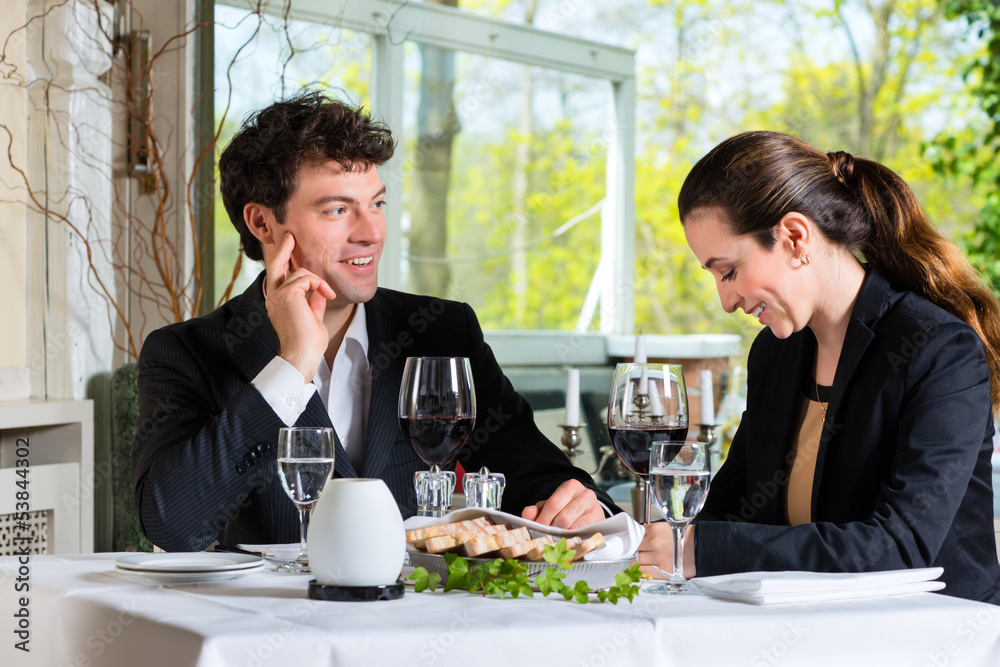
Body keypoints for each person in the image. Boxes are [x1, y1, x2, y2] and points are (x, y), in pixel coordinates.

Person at [132, 92, 615, 552]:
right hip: (275, 627)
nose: (371, 233)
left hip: (414, 623)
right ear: (262, 224)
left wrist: (574, 503)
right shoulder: (186, 352)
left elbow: (538, 478)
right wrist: (292, 362)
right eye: (338, 209)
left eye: (377, 204)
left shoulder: (442, 330)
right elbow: (174, 525)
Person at [636, 130, 1000, 604]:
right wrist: (638, 540)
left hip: (934, 633)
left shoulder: (938, 351)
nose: (726, 300)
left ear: (793, 237)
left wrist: (700, 549)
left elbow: (901, 547)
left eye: (727, 272)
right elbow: (735, 504)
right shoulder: (775, 352)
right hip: (810, 625)